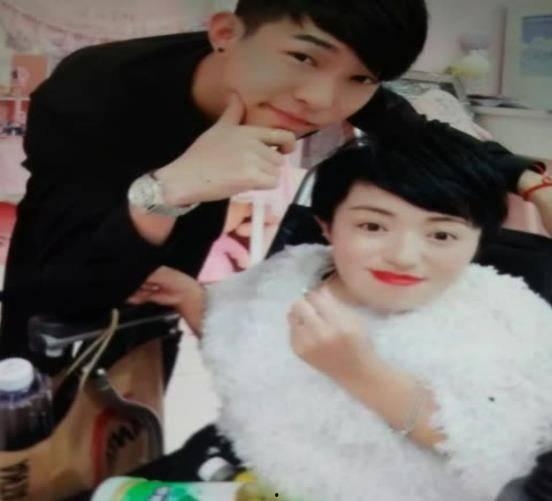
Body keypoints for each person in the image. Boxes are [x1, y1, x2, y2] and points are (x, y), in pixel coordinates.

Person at [1, 0, 549, 373]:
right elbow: (65, 279)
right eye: (303, 57)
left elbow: (418, 129)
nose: (321, 100)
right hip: (69, 253)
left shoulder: (332, 85)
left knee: (135, 380)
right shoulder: (93, 90)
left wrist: (530, 181)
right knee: (33, 383)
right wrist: (167, 189)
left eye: (360, 77)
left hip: (180, 237)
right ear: (225, 34)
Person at [137, 123, 552, 500]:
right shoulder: (293, 272)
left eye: (441, 235)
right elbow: (240, 343)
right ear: (327, 225)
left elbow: (501, 452)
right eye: (373, 226)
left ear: (478, 241)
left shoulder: (507, 317)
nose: (404, 256)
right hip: (257, 475)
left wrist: (360, 372)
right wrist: (192, 299)